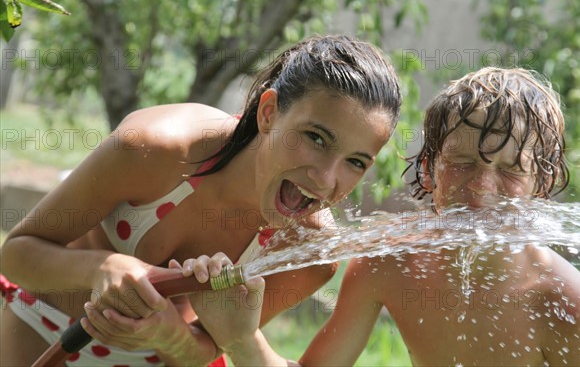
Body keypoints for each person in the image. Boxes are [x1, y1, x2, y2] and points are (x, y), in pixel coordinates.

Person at [0, 34, 403, 366]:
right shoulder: (154, 148)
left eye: (355, 162)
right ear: (269, 113)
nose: (327, 179)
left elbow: (208, 348)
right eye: (316, 138)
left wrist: (167, 334)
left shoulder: (308, 249)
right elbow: (16, 253)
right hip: (43, 331)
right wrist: (103, 267)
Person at [188, 67, 580, 366]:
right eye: (462, 161)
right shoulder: (388, 264)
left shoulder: (567, 305)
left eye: (510, 170)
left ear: (540, 186)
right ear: (428, 170)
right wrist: (241, 339)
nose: (482, 186)